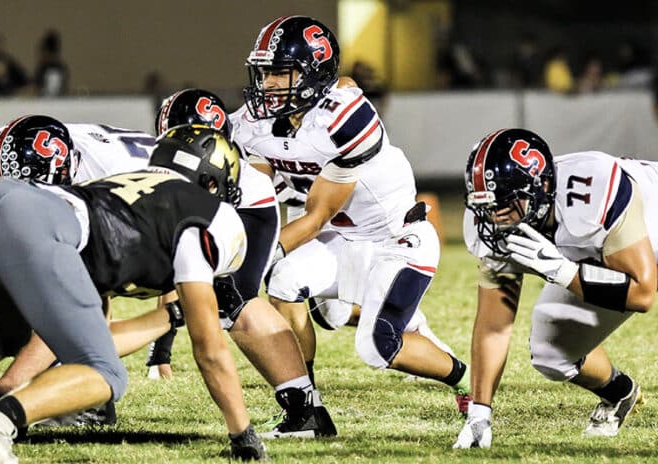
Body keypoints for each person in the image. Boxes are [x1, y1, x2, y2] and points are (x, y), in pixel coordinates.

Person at [0, 121, 267, 462]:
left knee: (6, 333)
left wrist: (170, 315)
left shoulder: (125, 191)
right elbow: (210, 350)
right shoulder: (208, 214)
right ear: (212, 182)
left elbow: (90, 337)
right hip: (35, 222)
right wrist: (243, 434)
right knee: (107, 375)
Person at [233, 15, 471, 437]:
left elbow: (315, 217)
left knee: (376, 346)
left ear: (313, 74)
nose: (268, 83)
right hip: (344, 237)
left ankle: (466, 378)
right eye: (265, 72)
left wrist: (248, 258)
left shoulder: (343, 118)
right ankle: (305, 409)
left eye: (280, 72)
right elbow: (257, 182)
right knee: (284, 282)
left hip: (397, 239)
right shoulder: (258, 119)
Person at [152, 88, 337, 437]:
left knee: (232, 299)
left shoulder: (234, 168)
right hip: (228, 204)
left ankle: (305, 409)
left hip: (248, 209)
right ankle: (305, 409)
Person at [454, 128, 650, 449]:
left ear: (543, 186)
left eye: (506, 202)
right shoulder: (492, 219)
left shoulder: (593, 191)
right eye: (488, 204)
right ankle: (620, 394)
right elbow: (493, 325)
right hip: (596, 255)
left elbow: (642, 293)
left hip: (642, 244)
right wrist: (480, 413)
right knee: (551, 353)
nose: (496, 215)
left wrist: (562, 271)